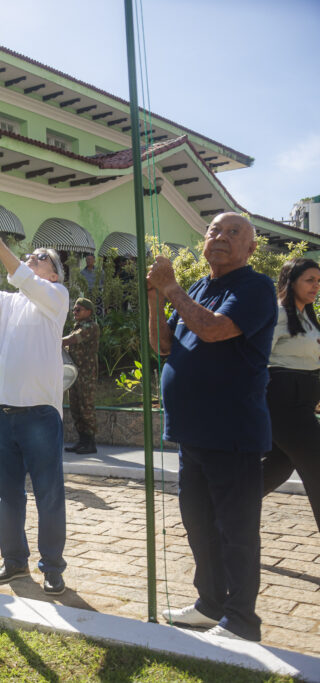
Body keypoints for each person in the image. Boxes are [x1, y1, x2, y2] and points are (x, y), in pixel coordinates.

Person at [148, 212, 277, 642]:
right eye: (214, 230)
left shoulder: (255, 287)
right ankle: (210, 604)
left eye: (233, 232)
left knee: (236, 530)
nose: (221, 237)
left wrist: (171, 288)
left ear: (250, 248)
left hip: (232, 432)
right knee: (199, 524)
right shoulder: (200, 287)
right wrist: (156, 298)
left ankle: (241, 621)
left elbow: (213, 330)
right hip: (192, 433)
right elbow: (163, 345)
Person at [0, 220, 70, 595]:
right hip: (0, 411)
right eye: (30, 254)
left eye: (41, 257)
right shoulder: (8, 302)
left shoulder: (56, 297)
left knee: (48, 495)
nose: (31, 258)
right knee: (8, 495)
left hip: (39, 413)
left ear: (54, 274)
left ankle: (52, 567)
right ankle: (14, 561)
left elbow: (22, 277)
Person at [262, 258, 320, 531]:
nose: (316, 286)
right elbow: (259, 356)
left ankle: (224, 508)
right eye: (310, 280)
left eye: (318, 281)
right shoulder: (279, 313)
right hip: (285, 402)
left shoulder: (306, 316)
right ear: (291, 282)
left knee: (279, 465)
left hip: (303, 402)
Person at [61, 297, 100, 454]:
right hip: (76, 374)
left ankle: (90, 443)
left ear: (88, 312)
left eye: (78, 310)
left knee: (86, 407)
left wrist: (52, 341)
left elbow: (72, 339)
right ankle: (82, 440)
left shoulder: (91, 326)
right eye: (74, 310)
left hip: (86, 375)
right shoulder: (77, 326)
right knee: (76, 408)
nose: (74, 312)